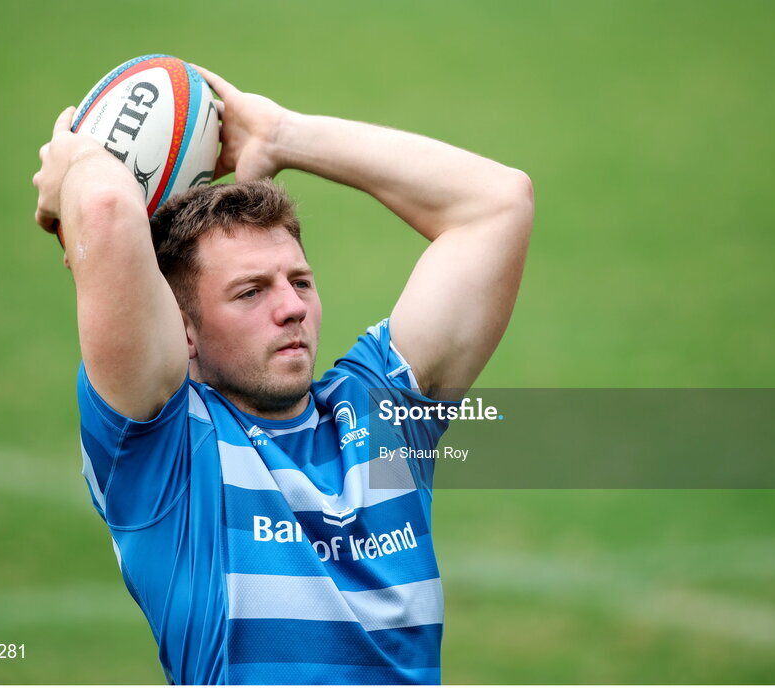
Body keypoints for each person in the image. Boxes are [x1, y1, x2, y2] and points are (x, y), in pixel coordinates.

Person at [32, 64, 533, 685]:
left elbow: (498, 204)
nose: (292, 305)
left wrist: (281, 136)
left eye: (300, 281)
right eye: (249, 292)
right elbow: (107, 208)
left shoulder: (382, 411)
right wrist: (80, 160)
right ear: (181, 331)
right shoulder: (164, 451)